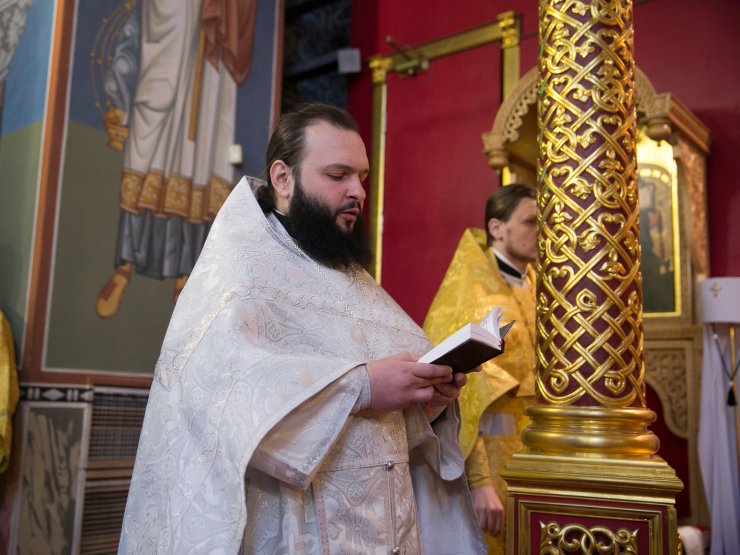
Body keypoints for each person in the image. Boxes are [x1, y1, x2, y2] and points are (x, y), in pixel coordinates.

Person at [119, 103, 486, 554]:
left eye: (362, 178)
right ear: (282, 178)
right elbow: (223, 398)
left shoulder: (351, 278)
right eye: (338, 175)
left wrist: (428, 402)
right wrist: (362, 387)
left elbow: (387, 436)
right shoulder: (238, 275)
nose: (358, 192)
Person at [95, 0, 258, 318]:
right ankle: (125, 264)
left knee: (201, 154)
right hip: (171, 31)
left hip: (212, 54)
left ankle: (187, 274)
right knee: (150, 142)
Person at [423, 183, 537, 553]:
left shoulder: (536, 284)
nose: (541, 232)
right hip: (494, 463)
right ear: (497, 228)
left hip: (540, 454)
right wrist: (480, 480)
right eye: (531, 222)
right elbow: (465, 395)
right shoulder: (473, 294)